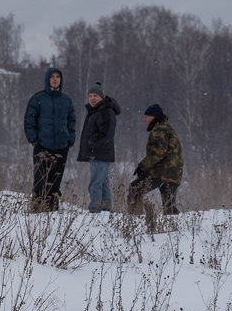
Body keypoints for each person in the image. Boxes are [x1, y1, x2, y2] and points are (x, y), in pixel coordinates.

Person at [23, 67, 76, 212]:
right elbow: (29, 121)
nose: (55, 79)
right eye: (52, 76)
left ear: (61, 79)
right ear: (47, 79)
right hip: (42, 146)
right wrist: (34, 140)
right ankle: (37, 209)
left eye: (57, 76)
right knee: (40, 180)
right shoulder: (38, 98)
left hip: (61, 147)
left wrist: (70, 139)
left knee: (55, 182)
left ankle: (52, 210)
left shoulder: (66, 100)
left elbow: (72, 121)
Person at [128, 103, 183, 215]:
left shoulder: (159, 129)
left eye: (147, 116)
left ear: (154, 117)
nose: (145, 120)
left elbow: (158, 153)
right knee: (169, 208)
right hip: (173, 174)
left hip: (163, 174)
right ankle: (178, 229)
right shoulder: (167, 128)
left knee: (134, 189)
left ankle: (134, 220)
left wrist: (142, 167)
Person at [76, 82, 120, 213]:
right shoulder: (96, 111)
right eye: (90, 96)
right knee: (103, 183)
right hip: (99, 153)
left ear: (101, 97)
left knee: (95, 183)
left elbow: (106, 133)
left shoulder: (105, 111)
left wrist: (92, 144)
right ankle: (106, 209)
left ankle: (94, 209)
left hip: (100, 153)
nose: (92, 98)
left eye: (95, 95)